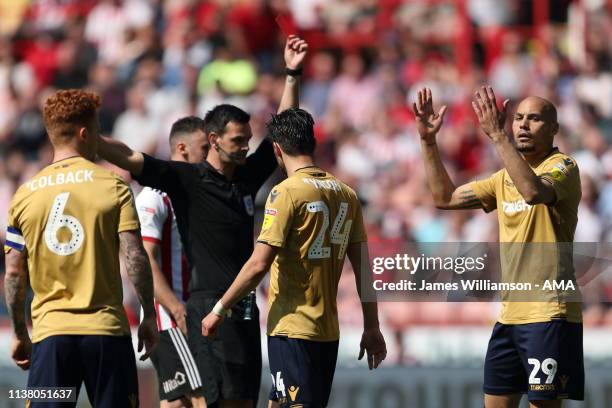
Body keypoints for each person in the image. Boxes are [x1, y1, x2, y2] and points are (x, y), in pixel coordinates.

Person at [96, 35, 309, 408]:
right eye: (238, 140)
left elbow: (283, 129)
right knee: (208, 403)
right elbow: (131, 156)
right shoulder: (187, 181)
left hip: (244, 307)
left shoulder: (247, 175)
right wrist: (85, 138)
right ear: (214, 140)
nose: (246, 146)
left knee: (243, 402)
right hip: (206, 308)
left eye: (247, 140)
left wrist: (292, 73)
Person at [201, 108, 388, 408]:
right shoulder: (347, 194)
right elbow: (364, 270)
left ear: (276, 149)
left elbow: (259, 262)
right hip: (327, 332)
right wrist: (372, 326)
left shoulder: (285, 193)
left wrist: (220, 308)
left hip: (292, 329)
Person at [413, 87, 583, 408]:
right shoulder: (503, 178)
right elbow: (444, 198)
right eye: (518, 118)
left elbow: (532, 192)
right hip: (509, 316)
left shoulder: (563, 168)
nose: (522, 125)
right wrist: (428, 140)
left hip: (549, 313)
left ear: (554, 128)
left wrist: (497, 136)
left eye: (534, 119)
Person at [3, 89, 158, 408]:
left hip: (51, 336)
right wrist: (148, 315)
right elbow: (135, 257)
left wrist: (20, 332)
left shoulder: (25, 195)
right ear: (86, 133)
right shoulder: (114, 186)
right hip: (106, 334)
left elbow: (14, 272)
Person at [135, 116, 209, 408]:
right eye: (204, 148)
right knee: (203, 394)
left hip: (187, 313)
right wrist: (177, 310)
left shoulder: (192, 195)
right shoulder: (154, 198)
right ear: (182, 148)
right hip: (169, 316)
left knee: (177, 402)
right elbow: (145, 261)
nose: (209, 155)